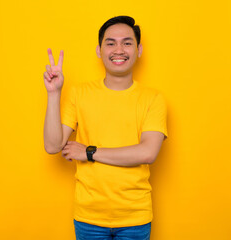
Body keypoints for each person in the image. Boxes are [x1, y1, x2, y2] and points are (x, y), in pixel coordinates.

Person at [43, 15, 168, 240]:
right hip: (88, 217)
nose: (118, 49)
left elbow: (148, 152)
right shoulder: (79, 93)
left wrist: (89, 152)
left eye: (127, 43)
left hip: (135, 217)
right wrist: (54, 93)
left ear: (138, 50)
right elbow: (53, 145)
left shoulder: (153, 98)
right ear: (99, 51)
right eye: (110, 43)